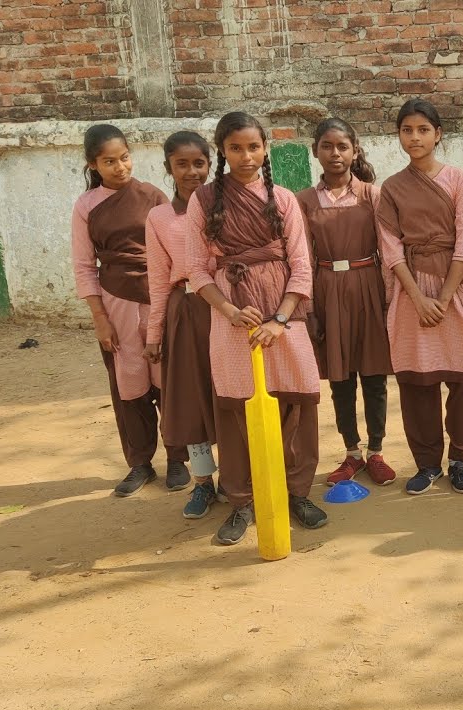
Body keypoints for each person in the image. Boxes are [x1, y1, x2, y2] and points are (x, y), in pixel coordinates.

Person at [184, 111, 328, 545]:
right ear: (221, 152)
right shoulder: (203, 202)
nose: (245, 156)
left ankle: (296, 493)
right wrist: (228, 311)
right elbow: (196, 268)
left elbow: (302, 266)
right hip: (232, 320)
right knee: (237, 410)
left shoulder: (283, 199)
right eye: (235, 148)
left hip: (285, 319)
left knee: (296, 404)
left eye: (253, 146)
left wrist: (281, 320)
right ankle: (242, 501)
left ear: (266, 148)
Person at [375, 99, 463, 496]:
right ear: (399, 136)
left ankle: (460, 460)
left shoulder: (457, 180)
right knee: (417, 380)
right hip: (410, 293)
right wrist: (419, 298)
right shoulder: (391, 188)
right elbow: (390, 249)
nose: (415, 137)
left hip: (454, 288)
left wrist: (444, 295)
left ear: (438, 135)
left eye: (423, 129)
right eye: (407, 130)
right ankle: (426, 463)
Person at [70, 123, 182, 496]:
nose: (120, 167)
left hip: (159, 297)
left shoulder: (152, 196)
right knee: (129, 383)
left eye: (124, 157)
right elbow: (84, 265)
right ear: (93, 165)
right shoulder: (87, 206)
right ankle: (140, 463)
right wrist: (100, 319)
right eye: (109, 161)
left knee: (169, 380)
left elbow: (174, 249)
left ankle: (178, 458)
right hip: (114, 301)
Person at [296, 118, 396, 488]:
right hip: (326, 289)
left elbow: (388, 251)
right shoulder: (303, 200)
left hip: (368, 285)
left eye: (342, 146)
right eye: (327, 146)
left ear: (354, 151)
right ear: (315, 151)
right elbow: (302, 258)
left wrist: (389, 303)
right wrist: (308, 311)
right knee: (340, 378)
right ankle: (351, 452)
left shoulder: (373, 195)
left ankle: (376, 451)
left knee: (373, 375)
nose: (335, 153)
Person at [144, 131, 223, 517]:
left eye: (199, 163)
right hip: (185, 313)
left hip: (226, 310)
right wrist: (154, 333)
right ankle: (204, 483)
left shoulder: (224, 205)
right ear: (168, 168)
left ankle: (241, 477)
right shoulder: (159, 217)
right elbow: (158, 280)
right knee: (192, 400)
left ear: (210, 164)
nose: (192, 171)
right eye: (182, 164)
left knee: (230, 394)